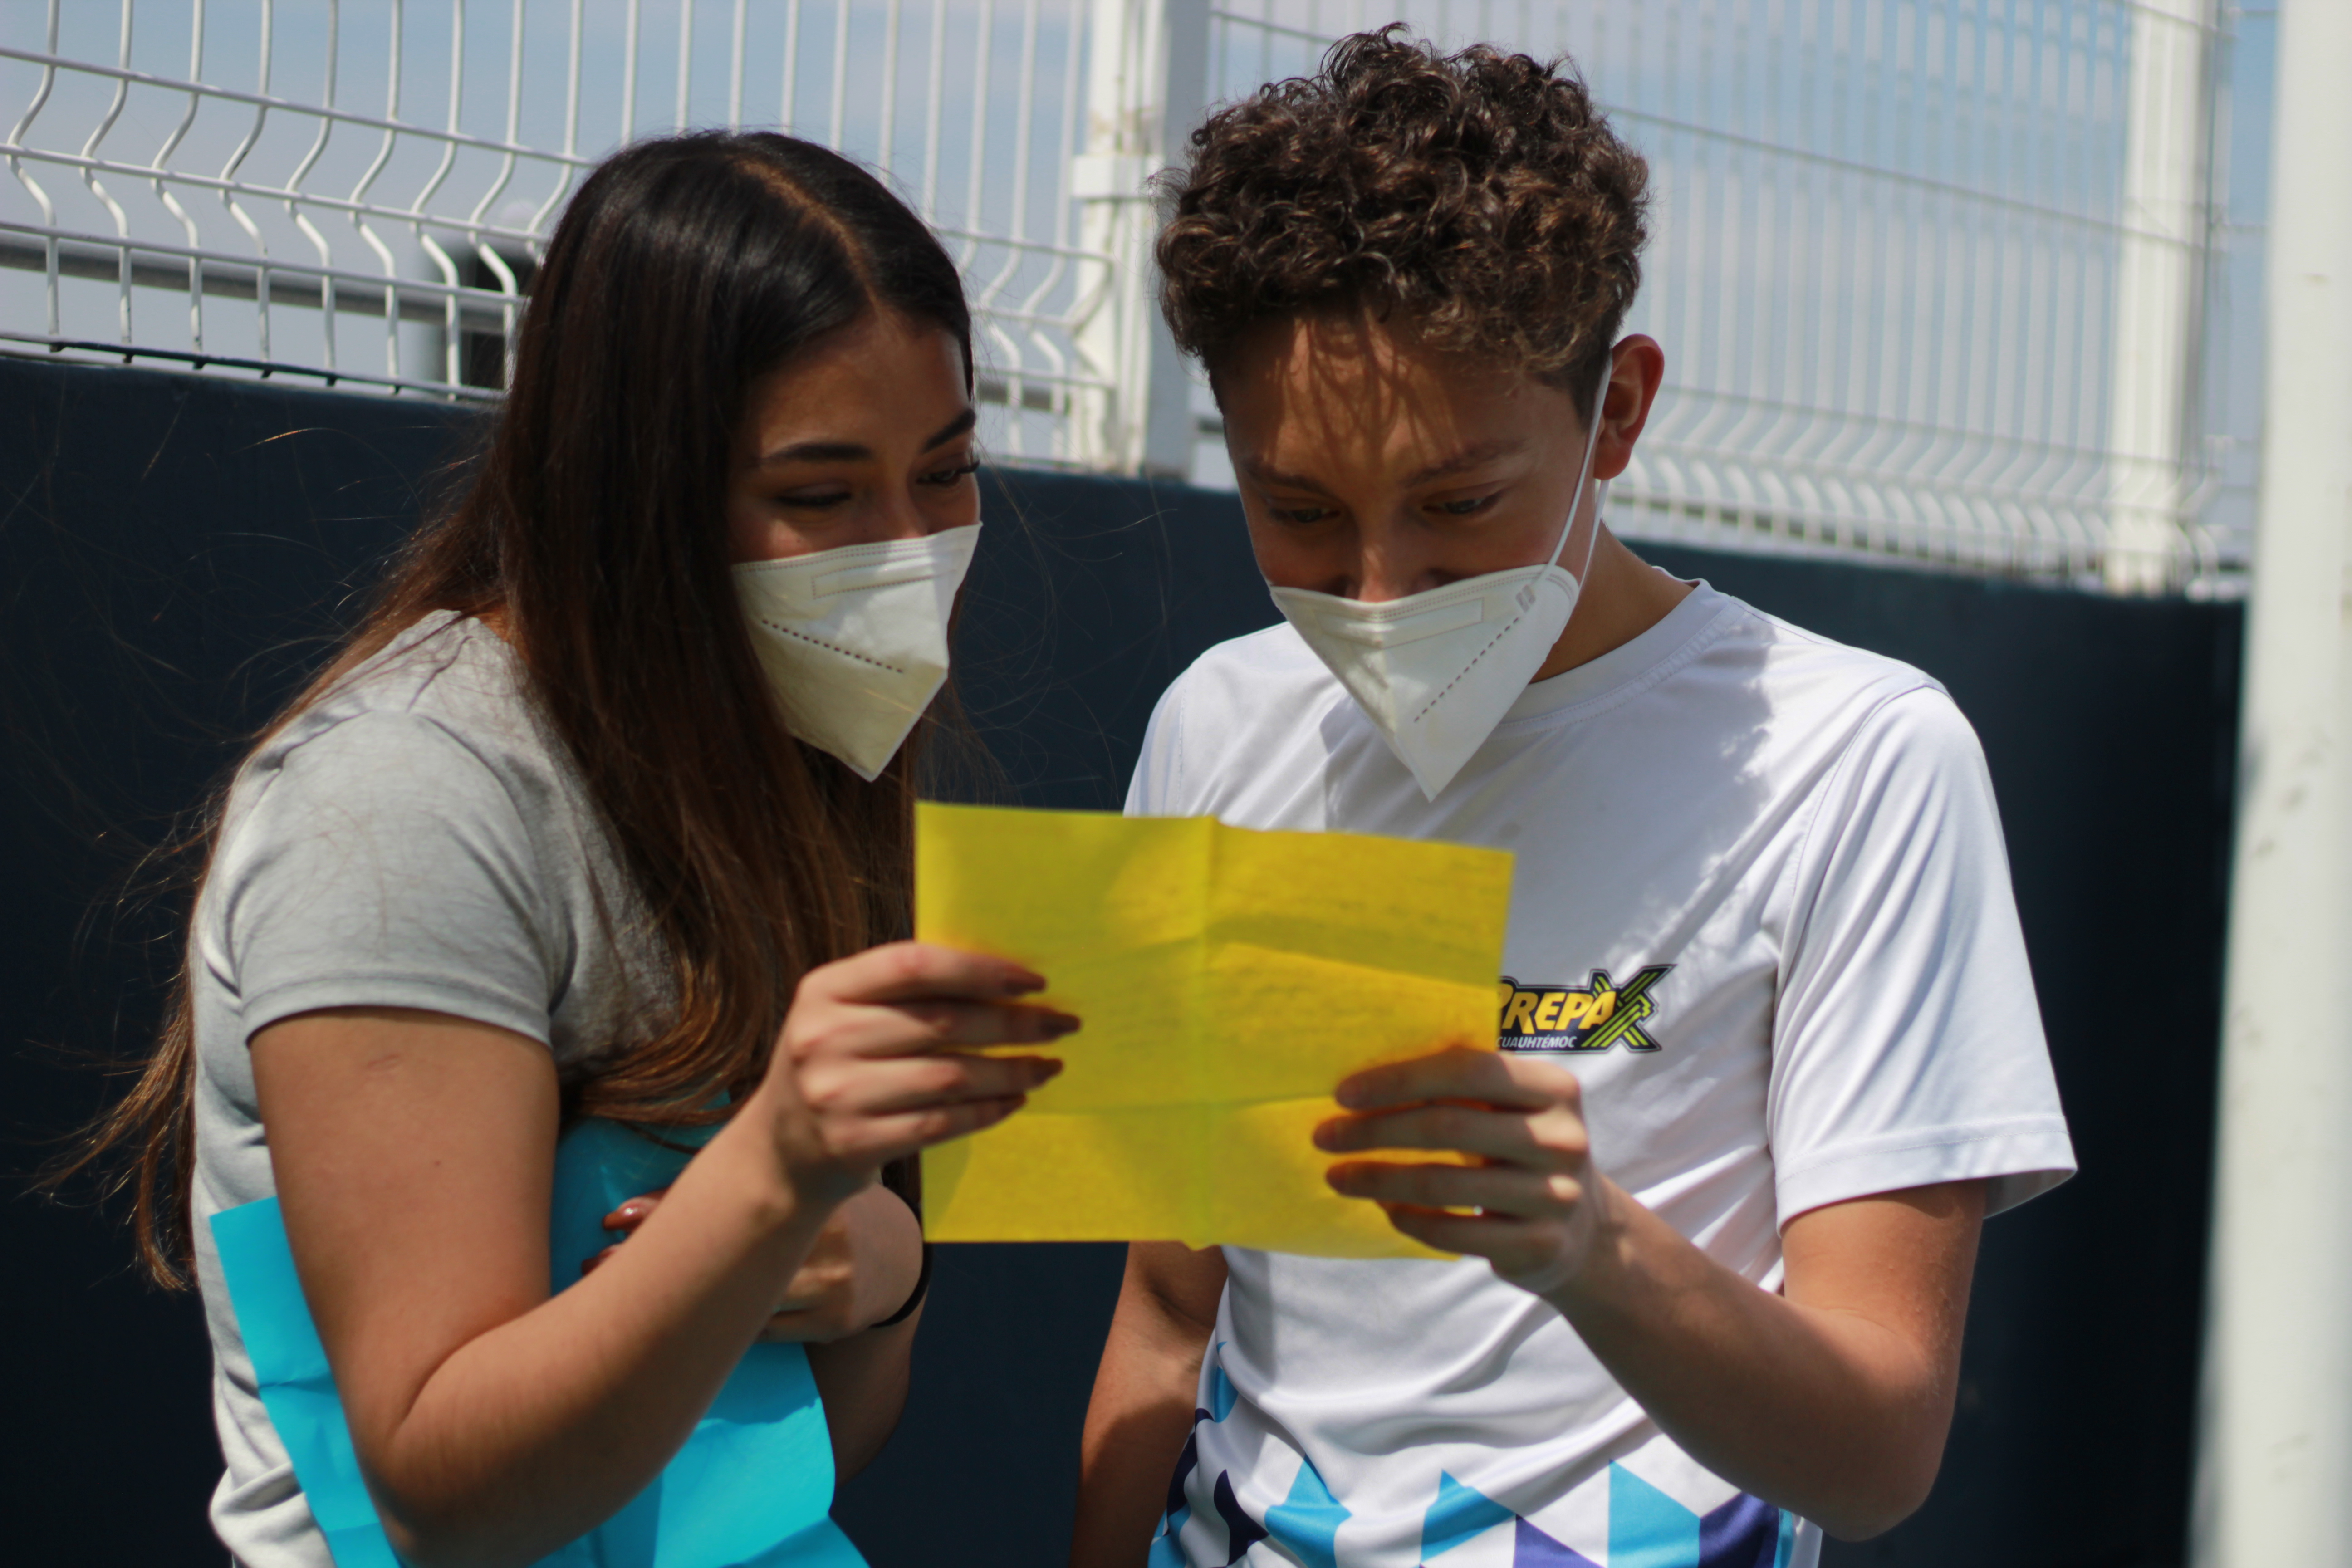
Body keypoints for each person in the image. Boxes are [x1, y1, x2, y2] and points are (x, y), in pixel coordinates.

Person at [1073, 32, 2075, 1568]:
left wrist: (1586, 1244)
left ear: (1617, 414)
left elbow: (1877, 1453)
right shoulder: (1213, 728)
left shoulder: (1861, 756)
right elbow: (1163, 1320)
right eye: (1299, 510)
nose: (1380, 591)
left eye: (1459, 504)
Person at [60, 132, 1072, 1568]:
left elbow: (795, 1455)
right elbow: (444, 1493)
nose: (908, 550)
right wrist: (774, 1176)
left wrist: (883, 1284)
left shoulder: (786, 757)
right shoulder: (408, 802)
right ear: (637, 486)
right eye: (822, 492)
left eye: (948, 471)